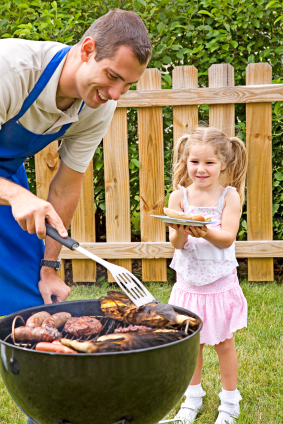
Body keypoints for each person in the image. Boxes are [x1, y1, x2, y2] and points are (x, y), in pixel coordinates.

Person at [0, 9, 151, 317]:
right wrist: (16, 196)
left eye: (127, 85)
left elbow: (66, 187)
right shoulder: (11, 68)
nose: (115, 94)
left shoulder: (98, 105)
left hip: (6, 179)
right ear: (87, 49)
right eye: (113, 77)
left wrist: (50, 268)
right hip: (9, 191)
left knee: (29, 302)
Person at [167, 127, 248, 424]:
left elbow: (227, 238)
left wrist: (205, 231)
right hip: (189, 284)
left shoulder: (230, 196)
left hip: (219, 283)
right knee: (192, 344)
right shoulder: (179, 197)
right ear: (186, 161)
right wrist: (181, 231)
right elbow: (176, 244)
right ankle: (192, 399)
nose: (201, 169)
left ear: (223, 164)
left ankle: (229, 402)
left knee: (224, 344)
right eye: (195, 162)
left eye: (209, 163)